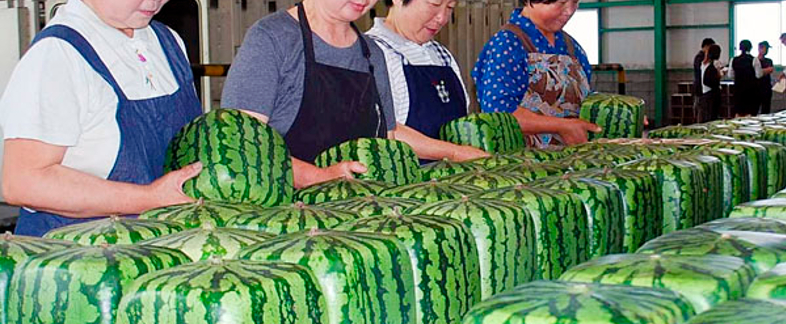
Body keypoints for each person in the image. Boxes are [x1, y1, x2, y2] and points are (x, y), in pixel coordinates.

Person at [221, 0, 486, 189]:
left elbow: (388, 138)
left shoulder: (372, 54)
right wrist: (319, 176)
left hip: (359, 220)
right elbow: (241, 143)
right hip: (289, 217)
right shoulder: (272, 39)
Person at [0, 0, 203, 237]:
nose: (155, 1)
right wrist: (149, 198)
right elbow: (23, 182)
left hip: (162, 247)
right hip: (76, 258)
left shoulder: (168, 41)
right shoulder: (57, 53)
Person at [472, 0, 600, 148]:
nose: (569, 11)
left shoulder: (572, 47)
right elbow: (499, 114)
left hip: (572, 162)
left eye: (575, 2)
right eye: (562, 3)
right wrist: (562, 126)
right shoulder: (506, 45)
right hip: (523, 163)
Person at [366, 0, 468, 142]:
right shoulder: (370, 53)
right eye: (435, 4)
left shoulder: (442, 55)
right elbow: (380, 129)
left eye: (450, 7)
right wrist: (454, 153)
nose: (442, 18)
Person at [727, 40, 763, 117]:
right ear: (750, 48)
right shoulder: (754, 59)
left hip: (738, 90)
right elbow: (759, 75)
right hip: (751, 91)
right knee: (750, 113)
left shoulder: (733, 59)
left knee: (738, 112)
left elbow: (730, 75)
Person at [699, 44, 722, 122]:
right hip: (713, 94)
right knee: (713, 117)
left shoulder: (703, 63)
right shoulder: (715, 63)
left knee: (706, 116)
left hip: (704, 92)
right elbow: (718, 76)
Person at [694, 38, 716, 122]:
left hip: (703, 89)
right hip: (700, 89)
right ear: (707, 46)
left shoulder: (704, 58)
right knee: (702, 112)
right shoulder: (700, 58)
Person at [757, 41, 775, 114]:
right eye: (765, 48)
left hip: (767, 87)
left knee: (766, 109)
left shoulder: (769, 60)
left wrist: (760, 71)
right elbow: (756, 73)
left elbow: (770, 70)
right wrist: (763, 71)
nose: (766, 51)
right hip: (757, 87)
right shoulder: (755, 60)